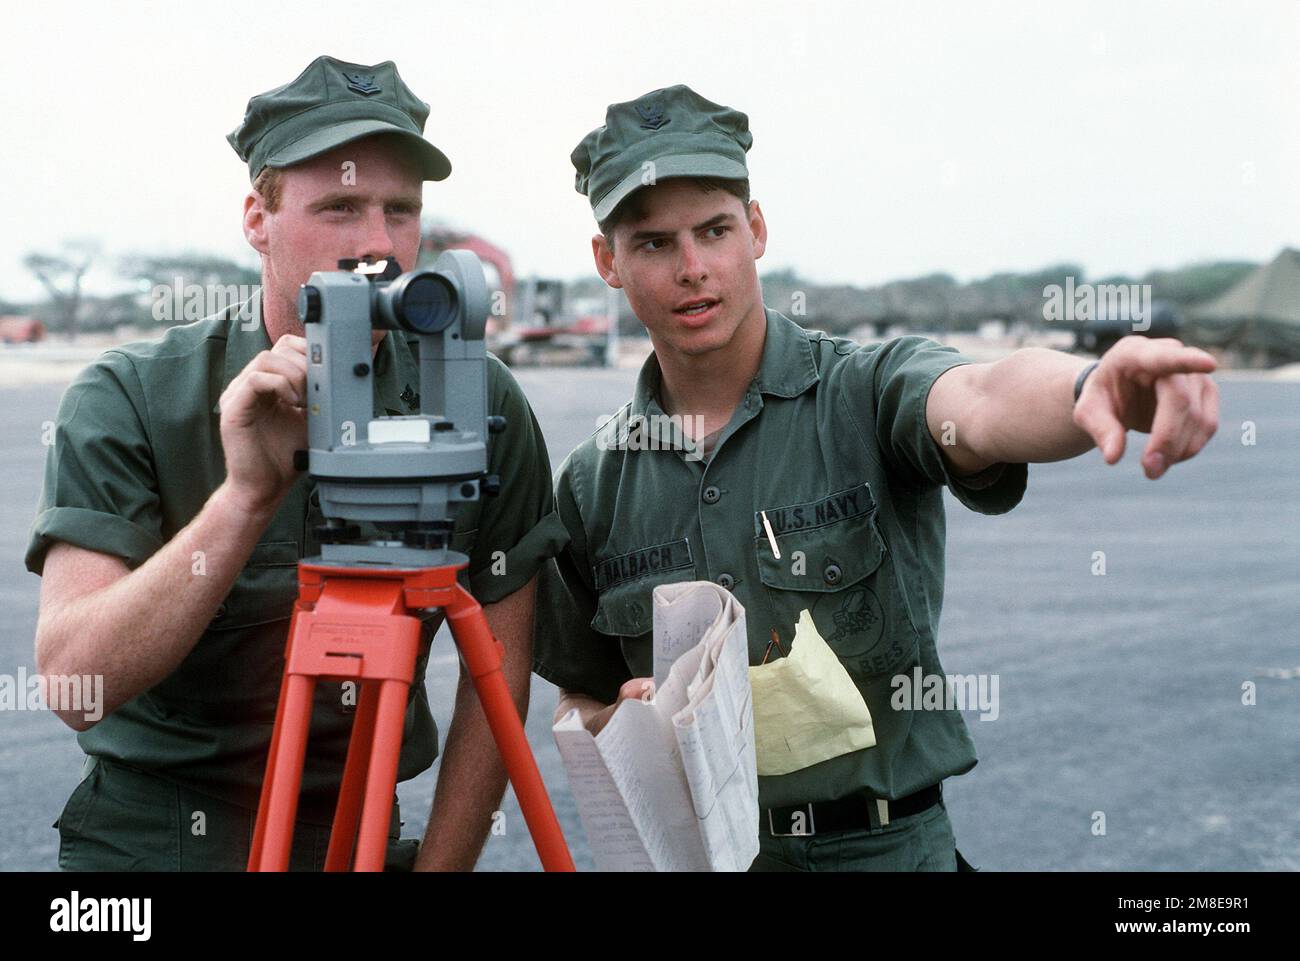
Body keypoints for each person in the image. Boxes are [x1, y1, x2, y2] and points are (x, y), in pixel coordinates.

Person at [532, 84, 1219, 871]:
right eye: (653, 243)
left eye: (714, 230)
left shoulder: (862, 392)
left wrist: (1090, 384)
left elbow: (981, 397)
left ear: (755, 231)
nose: (693, 268)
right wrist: (618, 725)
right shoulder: (592, 483)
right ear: (606, 263)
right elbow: (581, 694)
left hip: (886, 852)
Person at [27, 55, 565, 871]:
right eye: (340, 207)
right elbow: (75, 685)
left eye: (401, 210)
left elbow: (498, 685)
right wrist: (243, 497)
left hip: (355, 826)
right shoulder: (132, 395)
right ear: (257, 217)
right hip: (160, 836)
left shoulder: (478, 399)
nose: (378, 245)